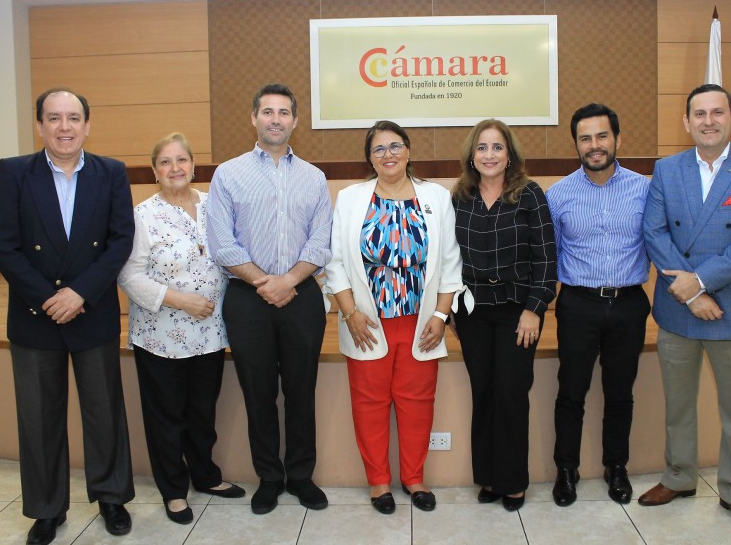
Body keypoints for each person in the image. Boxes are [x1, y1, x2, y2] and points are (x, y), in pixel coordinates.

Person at [0, 88, 135, 545]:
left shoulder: (111, 172)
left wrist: (80, 293)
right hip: (35, 316)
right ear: (40, 125)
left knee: (104, 412)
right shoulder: (13, 172)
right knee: (39, 419)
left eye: (73, 117)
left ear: (87, 125)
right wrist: (49, 298)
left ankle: (111, 498)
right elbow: (3, 246)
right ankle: (46, 509)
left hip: (92, 311)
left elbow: (120, 240)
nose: (64, 127)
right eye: (54, 118)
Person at [639, 84, 731, 534]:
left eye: (718, 112)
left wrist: (700, 282)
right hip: (678, 307)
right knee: (679, 403)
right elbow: (655, 233)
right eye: (699, 114)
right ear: (686, 122)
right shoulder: (667, 169)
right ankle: (679, 476)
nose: (708, 121)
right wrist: (690, 294)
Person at [205, 83, 333, 515]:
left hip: (302, 296)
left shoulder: (314, 177)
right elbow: (222, 244)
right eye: (267, 112)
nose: (275, 119)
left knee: (301, 391)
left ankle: (300, 476)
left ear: (295, 121)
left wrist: (289, 280)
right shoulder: (228, 174)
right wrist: (266, 283)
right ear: (253, 118)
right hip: (247, 299)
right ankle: (270, 478)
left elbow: (321, 241)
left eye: (283, 112)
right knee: (258, 393)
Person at [325, 120, 462, 515]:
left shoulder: (436, 196)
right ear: (369, 158)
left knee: (417, 402)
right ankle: (379, 482)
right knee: (369, 402)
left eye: (395, 146)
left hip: (422, 322)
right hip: (366, 322)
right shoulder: (351, 198)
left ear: (408, 151)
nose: (388, 154)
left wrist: (441, 314)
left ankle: (414, 478)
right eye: (379, 149)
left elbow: (450, 262)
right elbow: (335, 263)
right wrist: (349, 313)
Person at [118, 132, 245, 525]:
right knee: (166, 416)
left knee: (201, 411)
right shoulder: (142, 216)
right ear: (155, 171)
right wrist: (180, 300)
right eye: (166, 162)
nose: (175, 168)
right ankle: (174, 490)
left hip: (210, 333)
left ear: (193, 166)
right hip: (160, 335)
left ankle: (205, 476)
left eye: (182, 160)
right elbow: (129, 276)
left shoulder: (214, 206)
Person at [546, 104, 651, 507]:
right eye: (585, 138)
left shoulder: (644, 189)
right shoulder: (558, 195)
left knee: (620, 392)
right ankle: (566, 469)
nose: (594, 145)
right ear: (576, 144)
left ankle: (616, 467)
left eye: (602, 136)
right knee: (571, 391)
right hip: (578, 305)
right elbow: (550, 256)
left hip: (628, 305)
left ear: (617, 139)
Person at [451, 119, 557, 511]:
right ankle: (489, 477)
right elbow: (448, 258)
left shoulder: (529, 194)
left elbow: (546, 258)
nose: (489, 155)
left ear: (509, 154)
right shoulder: (459, 196)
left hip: (518, 309)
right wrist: (449, 310)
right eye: (482, 147)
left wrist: (535, 309)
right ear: (472, 155)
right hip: (472, 310)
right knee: (484, 392)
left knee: (511, 392)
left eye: (497, 147)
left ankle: (512, 482)